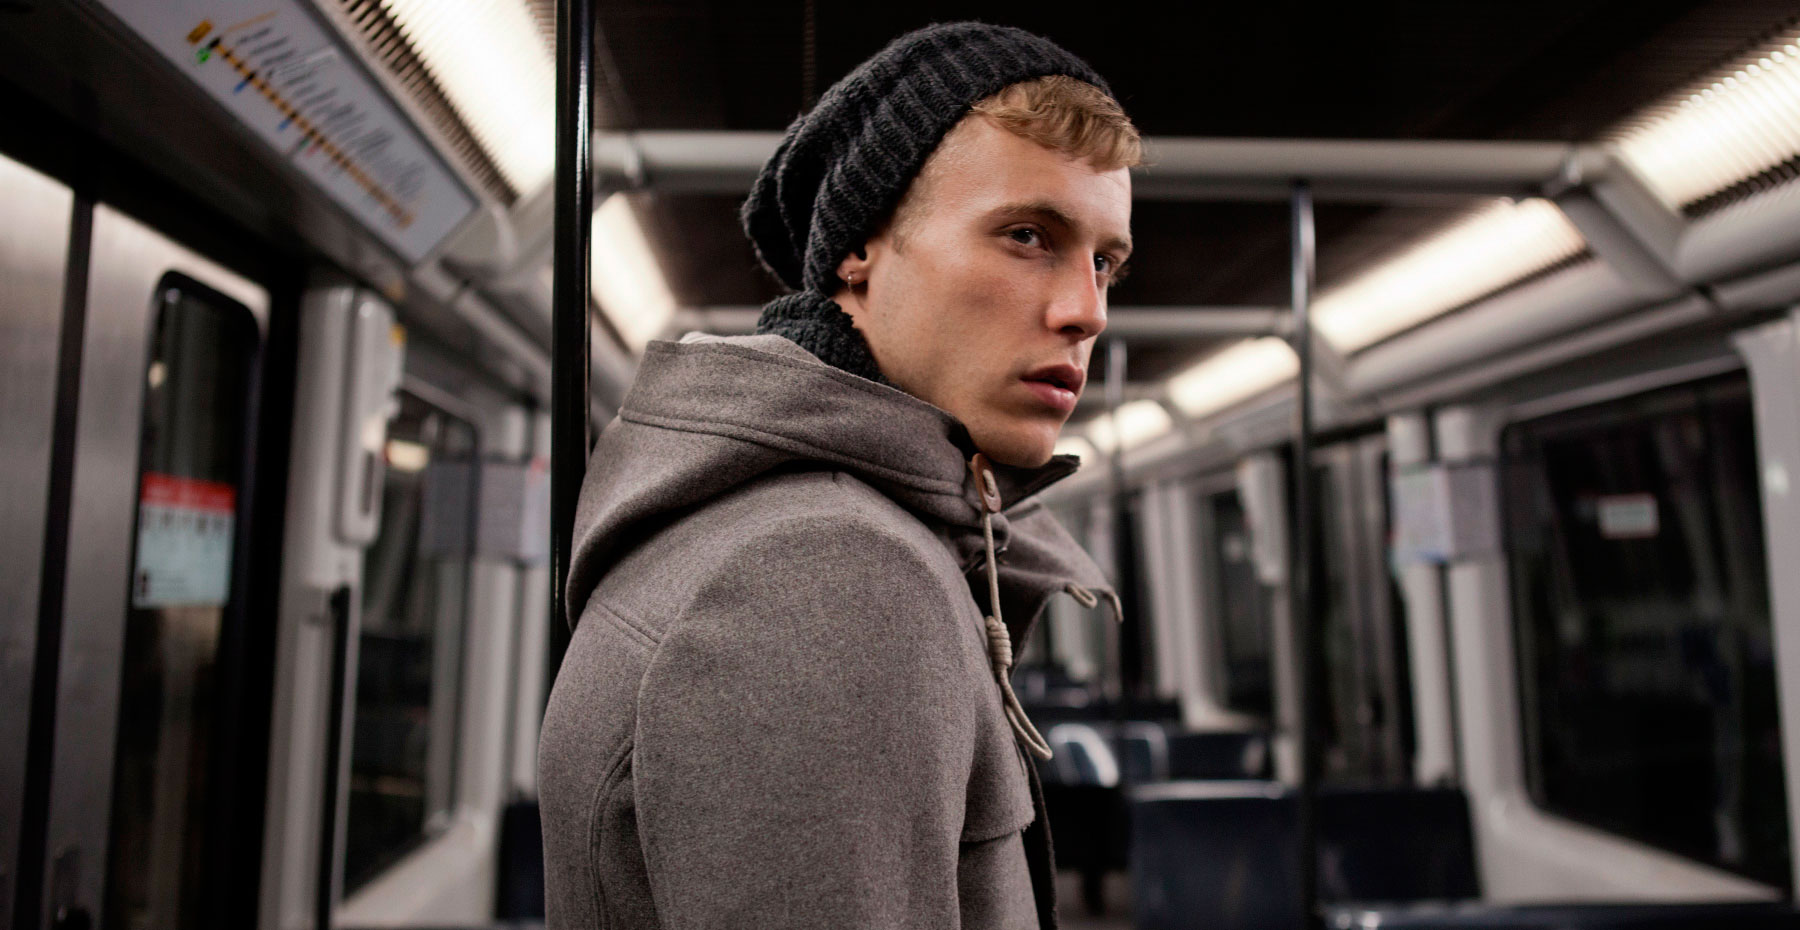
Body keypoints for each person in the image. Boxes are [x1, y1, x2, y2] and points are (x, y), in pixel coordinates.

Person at [539, 21, 1139, 929]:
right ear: (859, 247)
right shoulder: (827, 576)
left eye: (1104, 262)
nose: (1087, 311)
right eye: (1026, 235)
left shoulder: (787, 525)